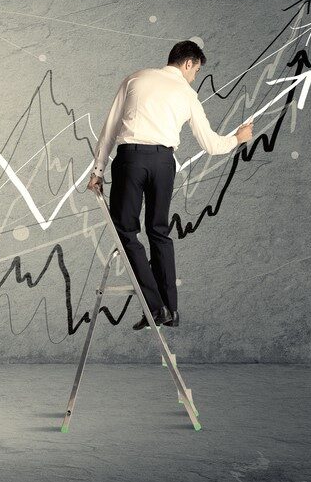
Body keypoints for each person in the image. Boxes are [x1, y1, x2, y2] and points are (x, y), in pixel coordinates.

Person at [86, 40, 253, 329]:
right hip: (164, 164)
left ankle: (155, 307)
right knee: (159, 232)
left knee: (126, 233)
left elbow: (111, 127)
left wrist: (98, 170)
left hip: (131, 159)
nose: (194, 77)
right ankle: (170, 309)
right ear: (188, 63)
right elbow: (212, 145)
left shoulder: (136, 78)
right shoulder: (187, 94)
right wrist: (238, 138)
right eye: (196, 70)